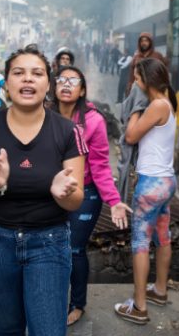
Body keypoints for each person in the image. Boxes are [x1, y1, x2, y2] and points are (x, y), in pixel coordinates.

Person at [0, 45, 86, 336]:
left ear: (48, 84)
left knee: (48, 330)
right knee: (7, 329)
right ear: (6, 83)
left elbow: (76, 200)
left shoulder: (68, 131)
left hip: (50, 242)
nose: (27, 79)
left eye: (37, 73)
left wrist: (61, 193)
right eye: (18, 73)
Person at [51, 66, 132, 326]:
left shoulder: (94, 121)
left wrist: (114, 200)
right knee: (50, 248)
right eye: (61, 79)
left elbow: (99, 165)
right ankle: (50, 300)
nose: (66, 84)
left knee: (74, 248)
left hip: (85, 193)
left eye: (73, 81)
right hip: (49, 193)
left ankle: (77, 304)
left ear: (82, 90)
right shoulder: (43, 115)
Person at [114, 58, 177, 325]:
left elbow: (130, 136)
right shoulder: (168, 102)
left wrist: (135, 109)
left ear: (146, 80)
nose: (135, 84)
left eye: (137, 79)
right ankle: (159, 290)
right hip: (166, 181)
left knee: (140, 243)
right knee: (163, 236)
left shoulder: (157, 105)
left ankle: (139, 307)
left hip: (151, 183)